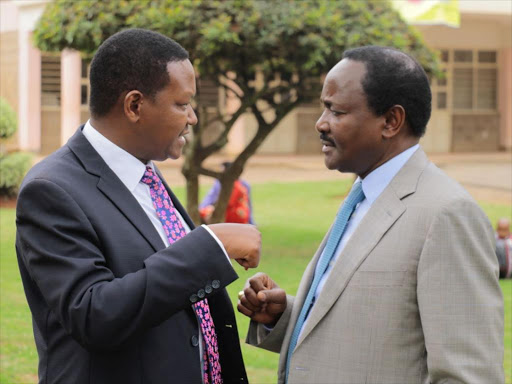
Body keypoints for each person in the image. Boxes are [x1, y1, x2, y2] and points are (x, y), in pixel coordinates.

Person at [238, 46, 504, 383]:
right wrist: (285, 315)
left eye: (336, 111)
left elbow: (468, 374)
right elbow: (375, 329)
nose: (321, 123)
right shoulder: (364, 195)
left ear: (391, 121)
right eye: (324, 108)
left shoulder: (447, 214)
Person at [15, 29, 261, 384]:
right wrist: (211, 246)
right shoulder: (51, 190)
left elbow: (170, 289)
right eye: (182, 104)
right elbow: (93, 314)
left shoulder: (145, 172)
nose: (192, 117)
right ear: (134, 106)